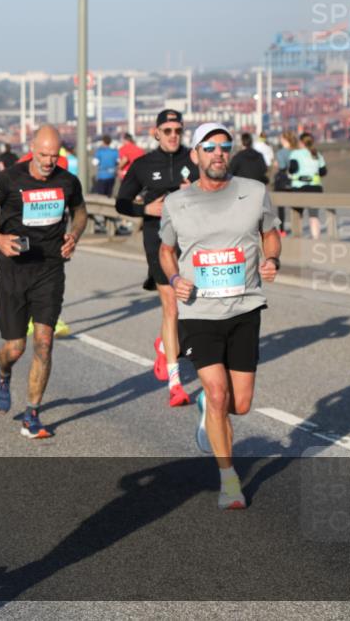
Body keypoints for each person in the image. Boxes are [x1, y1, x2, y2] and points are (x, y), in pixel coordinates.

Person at [159, 122, 281, 510]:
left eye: (223, 147)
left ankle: (208, 413)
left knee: (240, 404)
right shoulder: (177, 202)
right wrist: (175, 276)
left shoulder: (255, 192)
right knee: (217, 391)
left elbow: (271, 232)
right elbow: (166, 249)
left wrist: (273, 257)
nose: (218, 154)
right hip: (199, 311)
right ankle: (230, 480)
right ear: (194, 155)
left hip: (244, 308)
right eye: (209, 148)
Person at [0, 125, 87, 439]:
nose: (49, 161)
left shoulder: (67, 181)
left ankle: (32, 415)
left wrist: (74, 235)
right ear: (32, 148)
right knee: (14, 348)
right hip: (13, 270)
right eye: (43, 155)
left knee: (44, 343)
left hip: (50, 269)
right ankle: (3, 372)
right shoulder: (8, 179)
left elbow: (80, 211)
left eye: (54, 156)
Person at [115, 109, 198, 406]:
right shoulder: (143, 165)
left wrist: (196, 193)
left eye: (178, 130)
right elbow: (121, 203)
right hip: (159, 241)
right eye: (168, 131)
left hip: (192, 241)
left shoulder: (196, 159)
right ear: (156, 133)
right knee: (172, 305)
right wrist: (146, 210)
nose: (174, 135)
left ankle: (165, 343)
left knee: (194, 304)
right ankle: (176, 385)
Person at [288, 132, 327, 239]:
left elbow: (292, 169)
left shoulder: (295, 154)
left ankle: (297, 241)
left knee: (297, 215)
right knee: (314, 217)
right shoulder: (317, 154)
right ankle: (316, 241)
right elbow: (323, 172)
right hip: (315, 188)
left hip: (299, 188)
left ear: (301, 142)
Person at [273, 132, 298, 232]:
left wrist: (276, 164)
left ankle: (282, 230)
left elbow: (282, 167)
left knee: (281, 207)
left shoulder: (280, 153)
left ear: (284, 139)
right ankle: (296, 228)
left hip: (282, 181)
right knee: (295, 206)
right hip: (295, 180)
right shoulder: (296, 151)